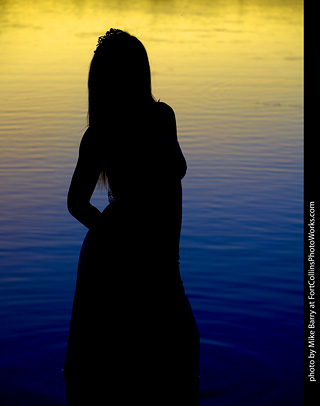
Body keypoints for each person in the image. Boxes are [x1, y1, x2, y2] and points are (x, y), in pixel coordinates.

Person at [63, 28, 200, 406]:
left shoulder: (161, 118)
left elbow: (176, 169)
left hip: (159, 252)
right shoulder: (99, 137)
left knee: (175, 350)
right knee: (112, 366)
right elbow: (76, 202)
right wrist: (113, 234)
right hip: (113, 255)